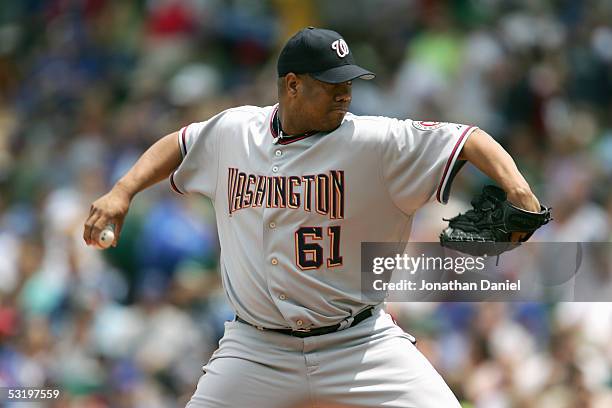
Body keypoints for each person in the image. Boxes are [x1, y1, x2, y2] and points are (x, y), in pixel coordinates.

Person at [83, 27, 541, 407]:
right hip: (256, 350)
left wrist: (519, 189)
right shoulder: (234, 130)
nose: (345, 93)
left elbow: (470, 139)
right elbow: (179, 144)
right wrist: (122, 191)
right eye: (331, 83)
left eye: (348, 81)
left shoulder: (376, 142)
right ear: (293, 85)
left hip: (359, 344)